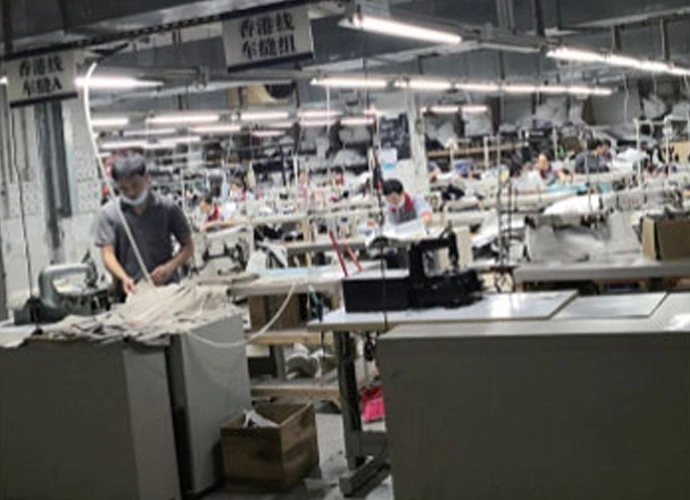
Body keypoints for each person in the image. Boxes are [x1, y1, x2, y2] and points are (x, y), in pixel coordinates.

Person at [94, 152, 194, 300]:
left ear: (146, 177)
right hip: (130, 294)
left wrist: (169, 267)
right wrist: (123, 277)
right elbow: (107, 254)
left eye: (136, 185)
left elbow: (188, 246)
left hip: (167, 292)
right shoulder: (109, 214)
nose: (131, 192)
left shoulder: (168, 208)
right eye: (124, 188)